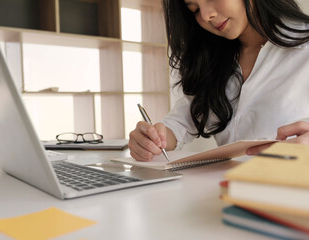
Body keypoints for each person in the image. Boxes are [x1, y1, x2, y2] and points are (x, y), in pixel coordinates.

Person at [129, 0, 309, 162]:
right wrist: (152, 139)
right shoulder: (214, 60)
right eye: (195, 9)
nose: (207, 16)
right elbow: (182, 121)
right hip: (227, 190)